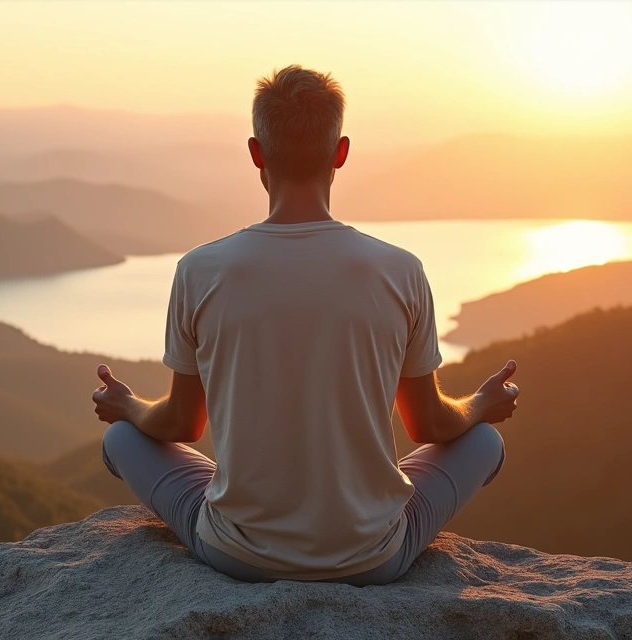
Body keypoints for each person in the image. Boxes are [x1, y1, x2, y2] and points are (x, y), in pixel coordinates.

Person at [93, 65, 518, 586]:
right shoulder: (400, 271)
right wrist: (480, 404)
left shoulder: (199, 270)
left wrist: (128, 405)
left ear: (256, 153)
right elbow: (428, 427)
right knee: (485, 444)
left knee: (121, 438)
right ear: (340, 152)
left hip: (236, 554)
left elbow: (183, 426)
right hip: (374, 557)